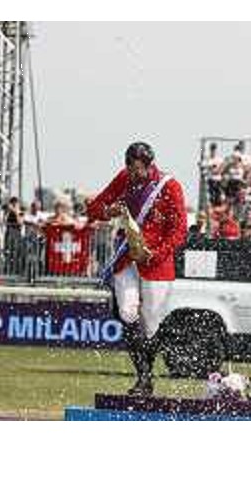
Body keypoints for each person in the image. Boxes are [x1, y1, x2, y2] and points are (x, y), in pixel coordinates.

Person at [86, 142, 187, 396]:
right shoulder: (124, 177)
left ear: (150, 166)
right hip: (128, 257)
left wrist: (158, 253)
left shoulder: (170, 186)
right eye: (129, 169)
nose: (133, 175)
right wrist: (109, 211)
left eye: (138, 170)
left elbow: (180, 231)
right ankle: (143, 376)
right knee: (128, 312)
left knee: (151, 323)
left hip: (157, 262)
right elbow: (95, 208)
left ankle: (149, 375)